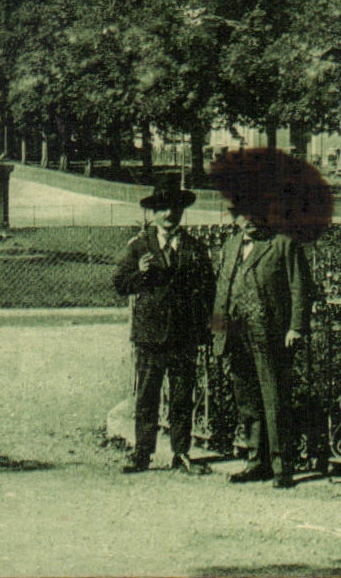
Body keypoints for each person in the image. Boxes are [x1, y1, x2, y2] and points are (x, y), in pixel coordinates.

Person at [210, 193, 313, 488]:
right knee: (247, 400)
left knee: (274, 400)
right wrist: (218, 330)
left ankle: (282, 467)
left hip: (271, 335)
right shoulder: (232, 245)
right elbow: (223, 289)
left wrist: (296, 327)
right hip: (236, 335)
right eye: (242, 215)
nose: (250, 220)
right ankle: (256, 461)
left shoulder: (283, 243)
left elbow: (300, 287)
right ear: (234, 218)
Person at [112, 178, 214, 475]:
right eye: (163, 208)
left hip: (184, 335)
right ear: (154, 213)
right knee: (147, 396)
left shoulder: (195, 248)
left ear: (182, 211)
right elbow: (120, 284)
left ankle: (181, 453)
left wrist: (205, 330)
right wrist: (140, 274)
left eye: (175, 208)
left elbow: (209, 290)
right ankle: (142, 453)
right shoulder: (139, 246)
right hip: (150, 335)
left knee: (182, 396)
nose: (169, 214)